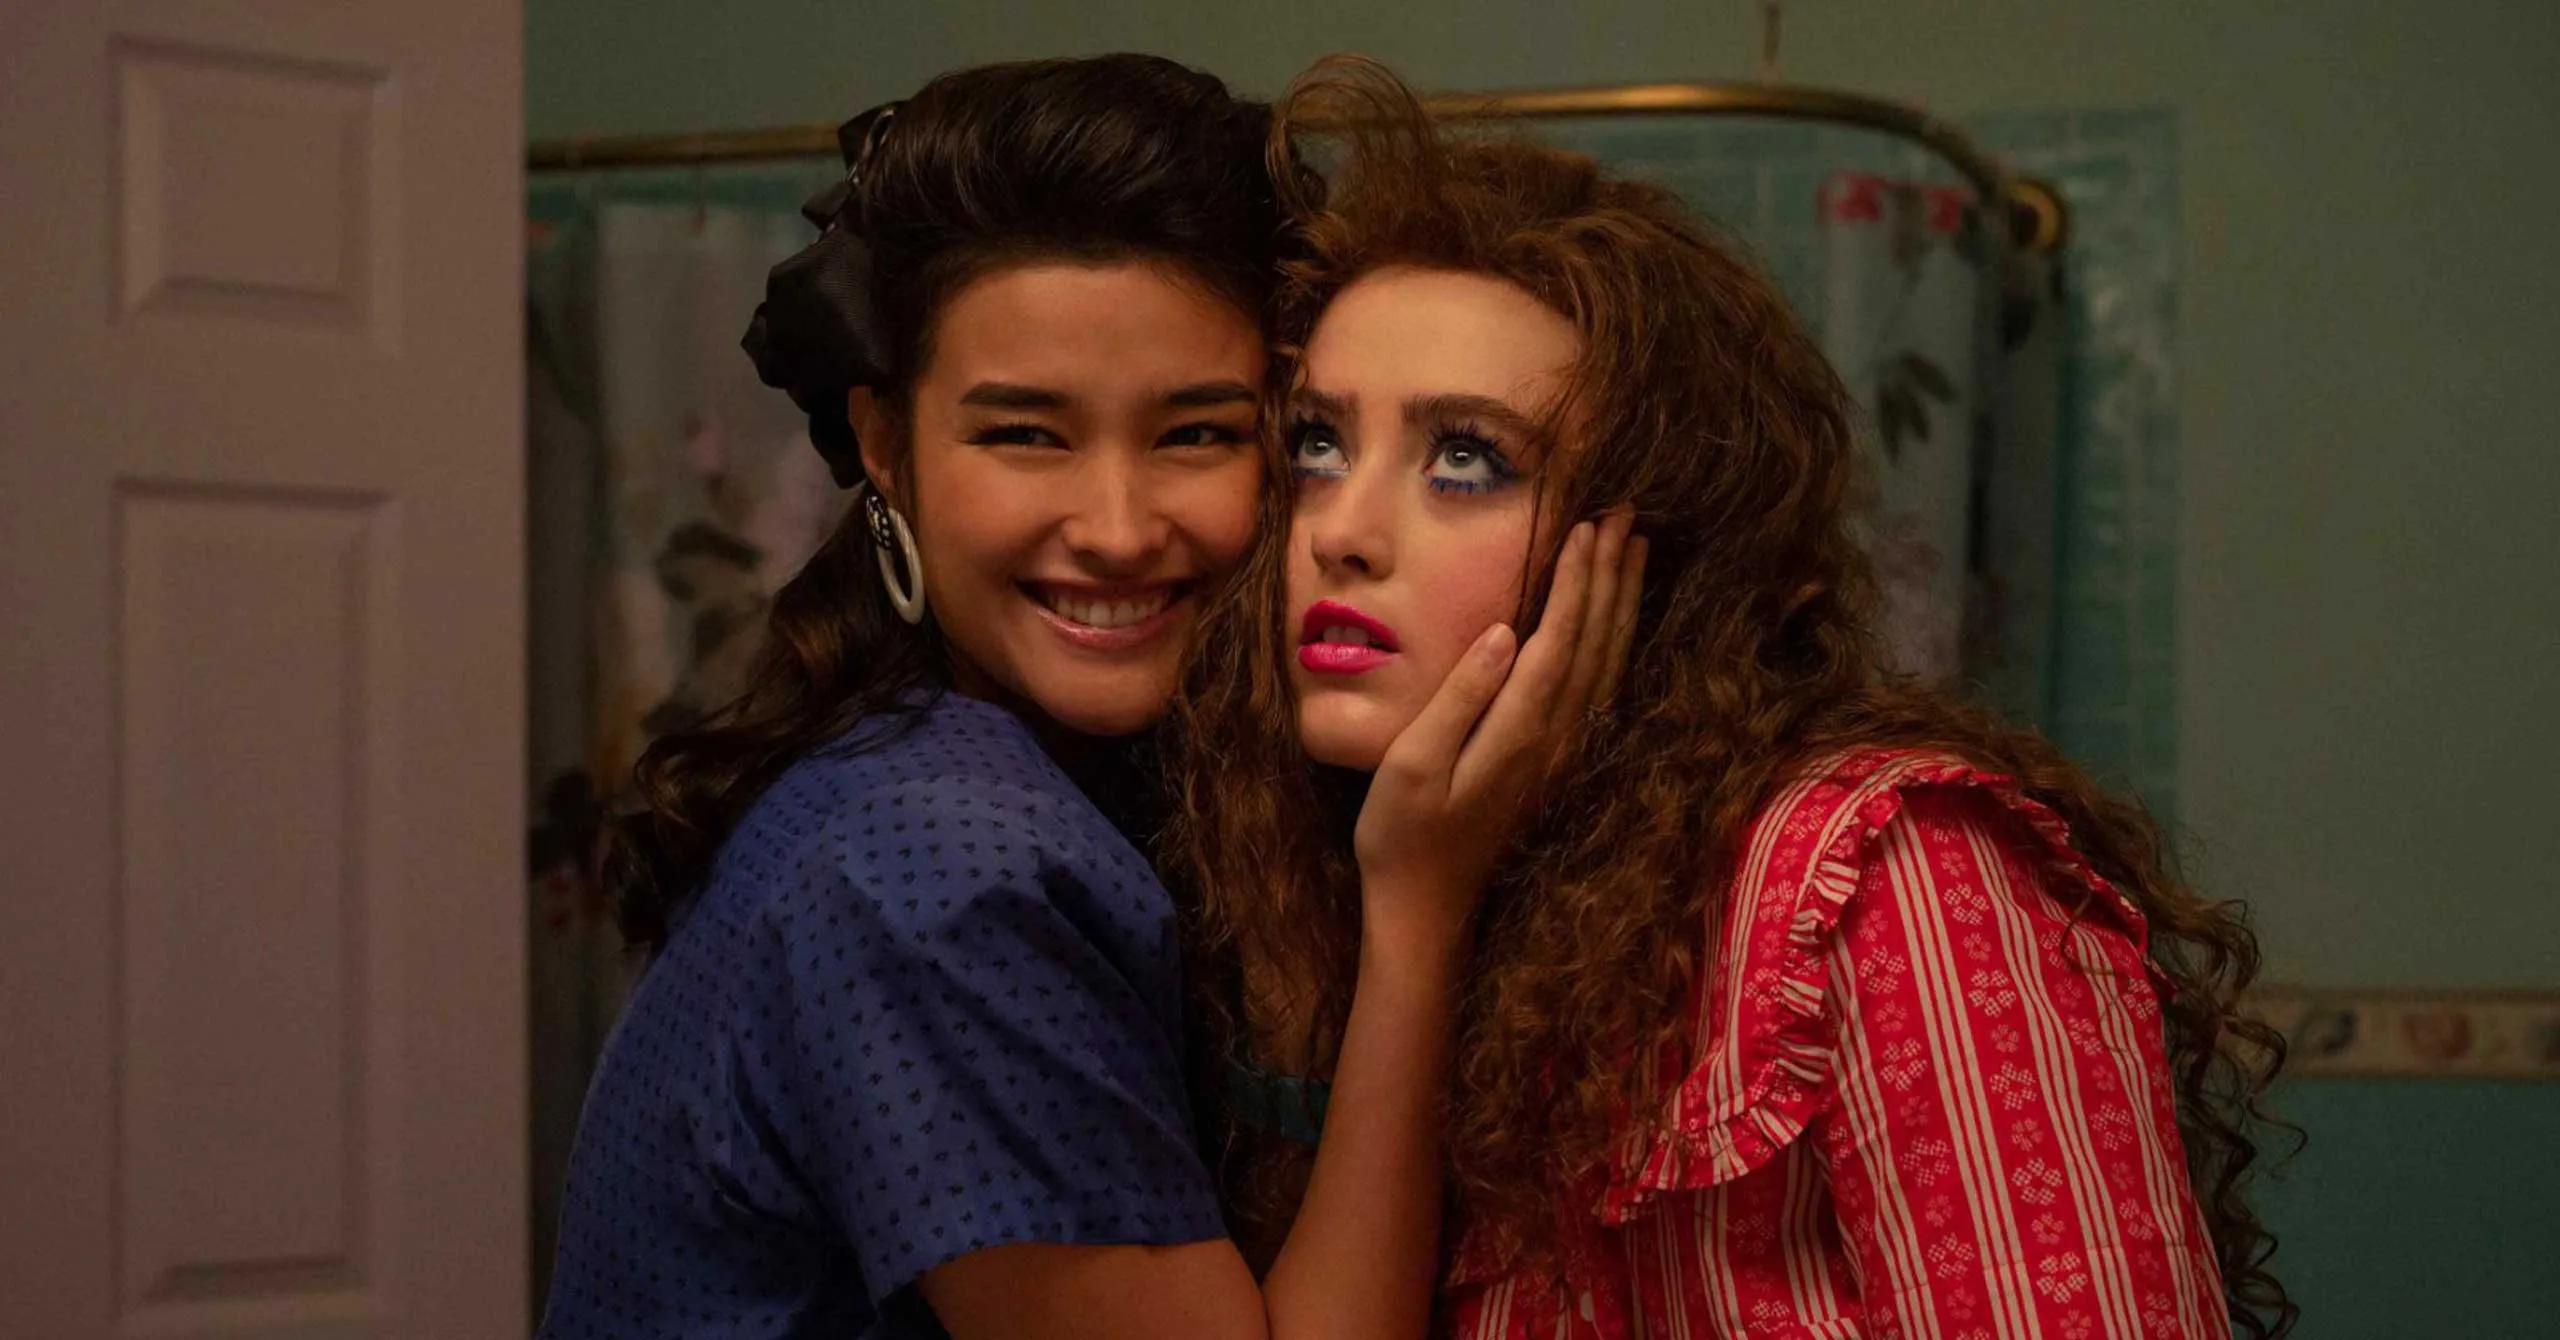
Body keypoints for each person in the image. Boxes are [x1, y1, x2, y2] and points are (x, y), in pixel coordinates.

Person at [1168, 57, 2295, 1339]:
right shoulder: (1400, 883)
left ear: (1654, 553)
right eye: (1316, 443)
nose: (1340, 530)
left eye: (1466, 458)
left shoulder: (1890, 875)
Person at [538, 55, 1635, 1340]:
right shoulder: (941, 866)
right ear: (886, 445)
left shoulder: (985, 772)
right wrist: (1420, 903)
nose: (1116, 529)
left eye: (1197, 432)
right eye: (1026, 434)